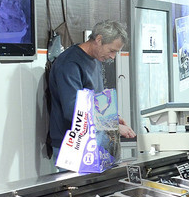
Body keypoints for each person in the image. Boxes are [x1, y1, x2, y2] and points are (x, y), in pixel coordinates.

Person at [44, 20, 135, 158]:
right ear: (99, 39)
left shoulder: (95, 59)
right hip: (72, 144)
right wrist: (112, 127)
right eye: (111, 51)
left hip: (92, 141)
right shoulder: (70, 64)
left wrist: (112, 118)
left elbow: (96, 102)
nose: (112, 56)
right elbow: (73, 112)